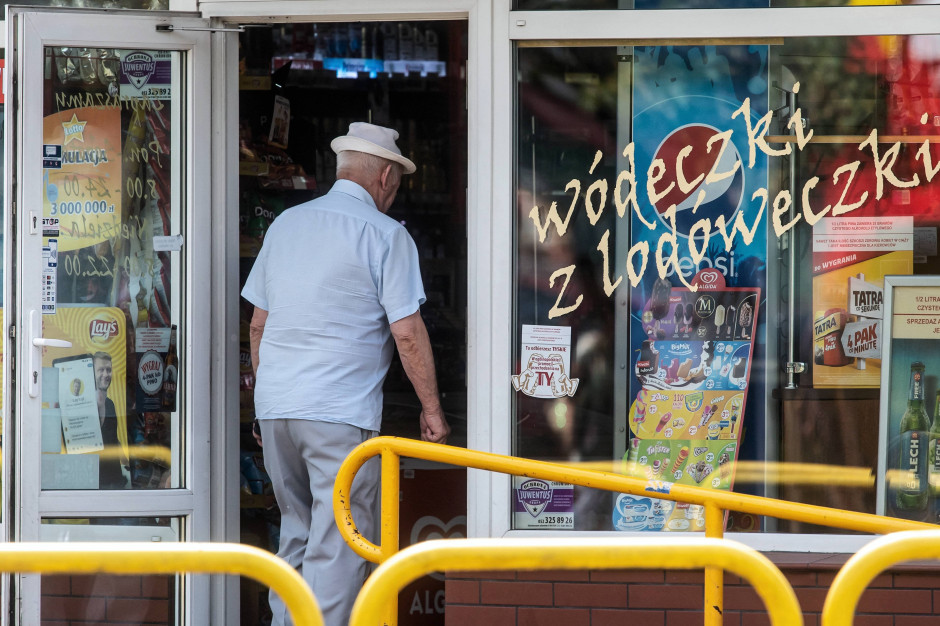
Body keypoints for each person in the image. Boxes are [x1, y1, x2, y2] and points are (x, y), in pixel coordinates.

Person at [241, 122, 450, 626]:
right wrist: (432, 409)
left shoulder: (286, 225)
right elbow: (407, 333)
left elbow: (258, 325)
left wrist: (266, 401)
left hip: (277, 409)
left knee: (296, 531)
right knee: (339, 543)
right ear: (385, 178)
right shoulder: (385, 234)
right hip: (338, 413)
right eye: (397, 184)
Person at [93, 351, 127, 489]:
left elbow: (112, 437)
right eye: (101, 370)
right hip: (98, 482)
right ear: (92, 373)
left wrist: (126, 461)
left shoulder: (110, 404)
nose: (106, 374)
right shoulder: (87, 406)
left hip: (115, 479)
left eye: (108, 370)